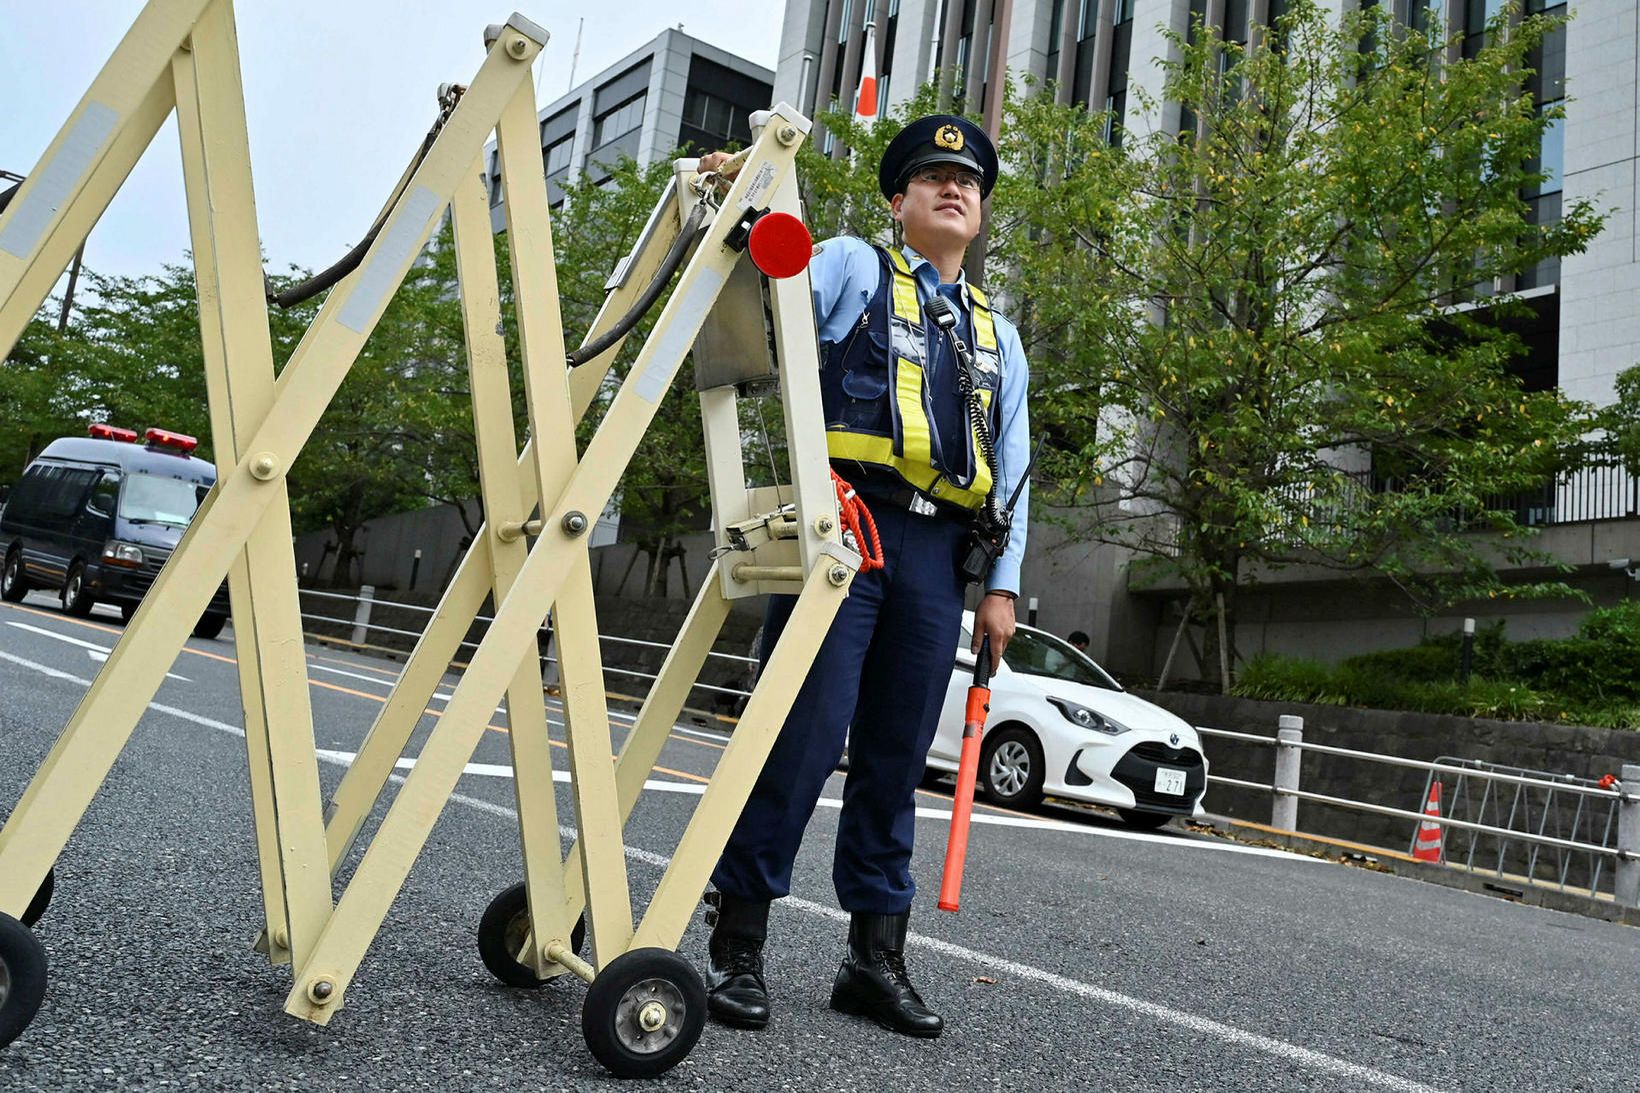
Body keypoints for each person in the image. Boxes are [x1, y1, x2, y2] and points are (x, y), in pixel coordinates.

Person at [695, 115, 1030, 1039]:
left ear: (980, 210)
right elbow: (776, 279)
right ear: (899, 200)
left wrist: (1000, 587)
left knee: (893, 758)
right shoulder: (853, 265)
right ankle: (740, 938)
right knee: (801, 737)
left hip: (937, 559)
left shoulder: (1001, 337)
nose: (951, 188)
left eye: (965, 182)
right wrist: (749, 192)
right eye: (929, 176)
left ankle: (873, 960)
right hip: (847, 531)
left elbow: (1016, 463)